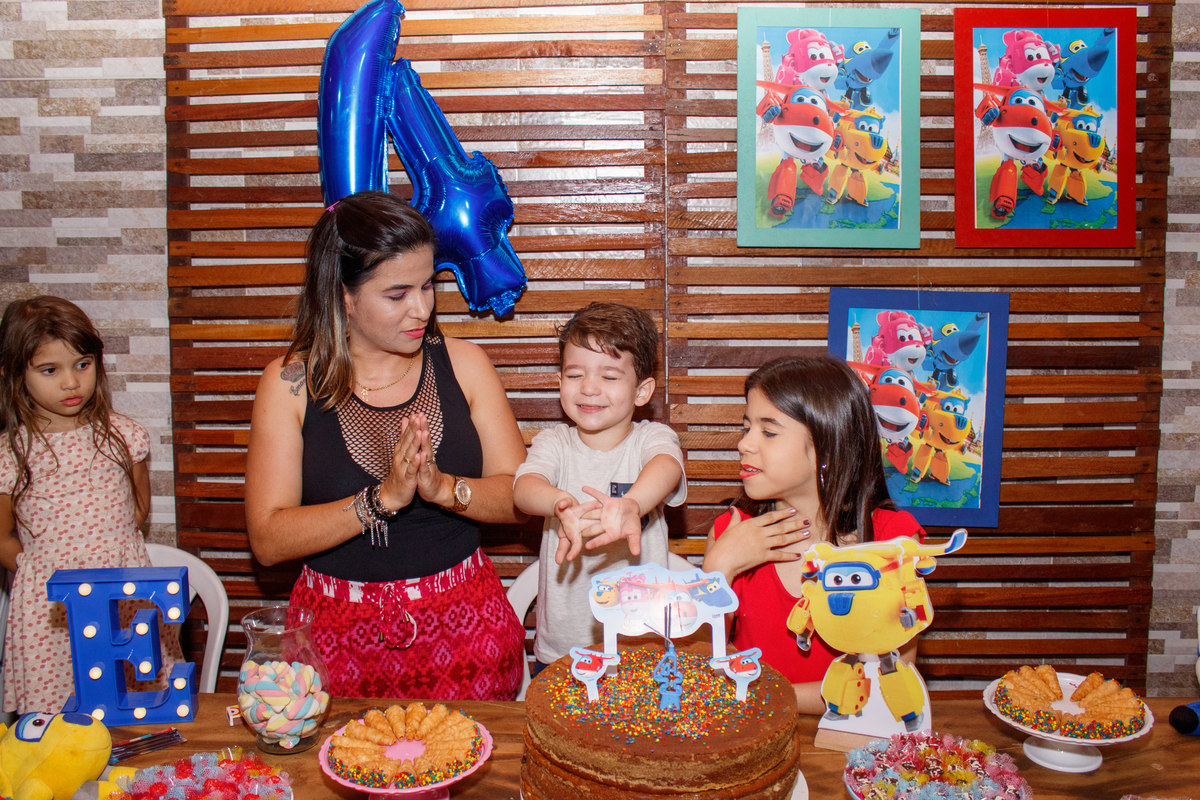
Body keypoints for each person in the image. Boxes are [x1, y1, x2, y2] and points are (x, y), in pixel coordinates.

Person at [245, 190, 528, 701]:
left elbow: (519, 496)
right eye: (397, 294)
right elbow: (267, 539)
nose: (421, 308)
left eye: (428, 285)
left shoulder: (465, 365)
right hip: (333, 646)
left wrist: (443, 489)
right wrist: (379, 502)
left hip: (467, 637)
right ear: (344, 296)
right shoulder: (289, 384)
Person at [702, 355, 925, 714]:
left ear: (828, 448)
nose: (744, 444)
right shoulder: (730, 533)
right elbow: (703, 664)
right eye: (746, 428)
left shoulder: (893, 543)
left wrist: (768, 697)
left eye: (768, 432)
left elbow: (892, 677)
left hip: (844, 741)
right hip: (753, 731)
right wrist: (718, 569)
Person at [0, 295, 183, 713]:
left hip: (123, 596)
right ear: (14, 373)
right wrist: (38, 569)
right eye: (50, 370)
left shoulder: (124, 436)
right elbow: (2, 537)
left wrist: (111, 550)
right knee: (60, 721)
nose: (71, 382)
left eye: (82, 364)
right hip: (52, 608)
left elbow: (137, 509)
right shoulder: (10, 455)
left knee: (138, 705)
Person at [513, 302, 686, 675]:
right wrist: (560, 503)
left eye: (609, 376)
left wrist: (632, 504)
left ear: (641, 391)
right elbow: (524, 488)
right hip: (564, 650)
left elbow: (667, 466)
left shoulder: (651, 439)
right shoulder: (555, 442)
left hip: (642, 646)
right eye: (575, 374)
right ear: (559, 382)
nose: (589, 388)